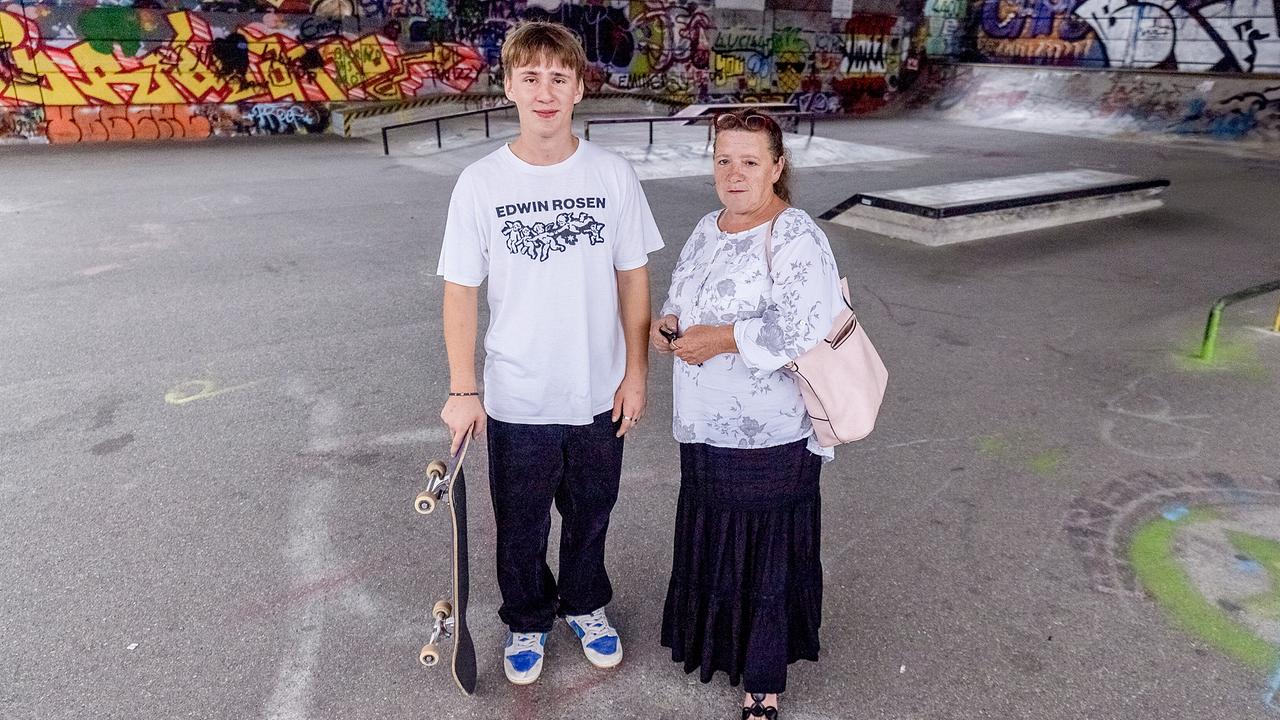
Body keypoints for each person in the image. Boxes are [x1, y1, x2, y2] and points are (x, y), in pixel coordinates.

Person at [437, 21, 663, 685]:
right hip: (518, 397)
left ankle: (586, 605)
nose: (544, 91)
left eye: (558, 78)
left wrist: (638, 375)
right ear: (508, 85)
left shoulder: (612, 174)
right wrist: (462, 388)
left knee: (592, 515)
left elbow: (634, 281)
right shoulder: (481, 184)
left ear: (579, 89)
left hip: (599, 393)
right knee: (521, 528)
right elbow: (459, 294)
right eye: (530, 77)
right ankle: (529, 617)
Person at [650, 109, 844, 719]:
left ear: (777, 167)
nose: (734, 173)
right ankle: (720, 646)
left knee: (763, 549)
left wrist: (723, 339)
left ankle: (763, 681)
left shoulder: (796, 235)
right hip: (706, 423)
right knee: (715, 531)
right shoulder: (709, 226)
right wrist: (670, 325)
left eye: (750, 161)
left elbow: (804, 326)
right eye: (723, 159)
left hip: (771, 433)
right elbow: (682, 294)